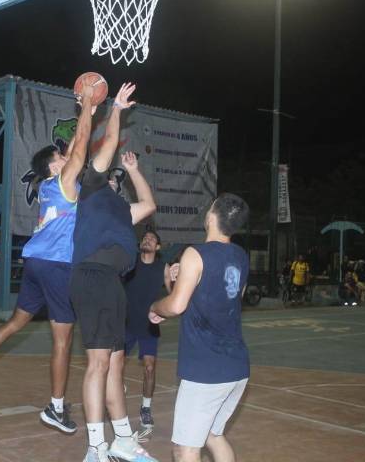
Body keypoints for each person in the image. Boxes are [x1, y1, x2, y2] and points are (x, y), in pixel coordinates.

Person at [0, 76, 101, 435]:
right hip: (56, 266)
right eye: (61, 157)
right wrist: (86, 108)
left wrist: (89, 111)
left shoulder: (49, 186)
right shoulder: (62, 182)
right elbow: (81, 145)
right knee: (63, 339)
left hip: (34, 263)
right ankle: (55, 408)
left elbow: (77, 151)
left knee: (16, 323)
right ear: (54, 166)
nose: (67, 157)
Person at [70, 83, 159, 462]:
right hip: (92, 276)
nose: (111, 175)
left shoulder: (122, 210)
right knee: (99, 363)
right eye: (111, 172)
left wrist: (134, 170)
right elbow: (107, 144)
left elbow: (149, 204)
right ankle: (95, 447)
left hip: (113, 283)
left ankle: (122, 438)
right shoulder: (90, 188)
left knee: (116, 363)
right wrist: (117, 109)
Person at [149, 193, 251, 462]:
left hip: (206, 368)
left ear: (211, 216)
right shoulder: (240, 255)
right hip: (236, 365)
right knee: (213, 436)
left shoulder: (196, 253)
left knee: (185, 449)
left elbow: (176, 306)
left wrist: (155, 307)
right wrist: (184, 277)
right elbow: (227, 298)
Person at [123, 229, 171, 431]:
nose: (147, 240)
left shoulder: (163, 268)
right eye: (145, 238)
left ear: (157, 247)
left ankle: (146, 408)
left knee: (150, 367)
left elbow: (172, 295)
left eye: (152, 239)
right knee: (114, 365)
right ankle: (116, 389)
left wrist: (166, 312)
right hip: (125, 323)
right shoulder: (130, 262)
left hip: (149, 326)